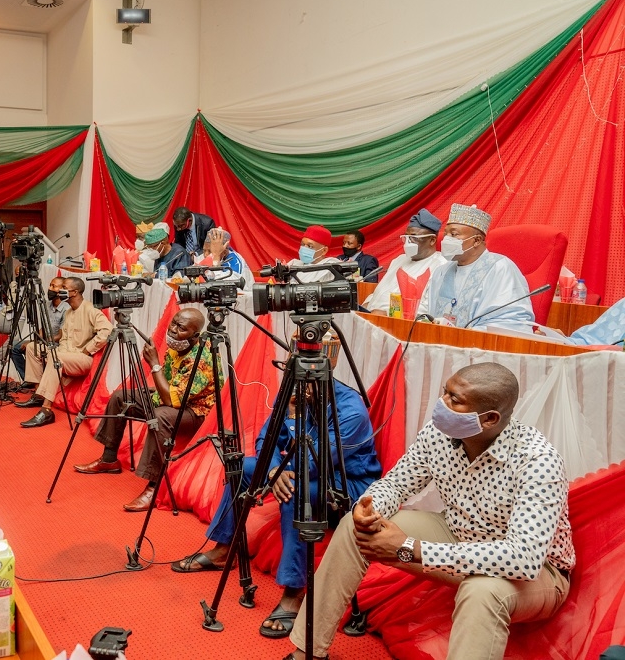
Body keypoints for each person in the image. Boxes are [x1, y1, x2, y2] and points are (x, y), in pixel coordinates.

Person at [287, 363, 574, 659]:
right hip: (456, 534)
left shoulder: (538, 461)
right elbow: (397, 484)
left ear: (489, 419)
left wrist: (410, 548)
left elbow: (523, 559)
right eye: (444, 393)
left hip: (534, 573)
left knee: (481, 592)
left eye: (455, 399)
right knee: (353, 527)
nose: (442, 404)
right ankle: (309, 651)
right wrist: (367, 508)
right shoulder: (439, 434)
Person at [172, 379, 380, 639]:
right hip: (296, 469)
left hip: (346, 480)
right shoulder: (297, 387)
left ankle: (294, 591)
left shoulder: (351, 411)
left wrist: (293, 418)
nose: (300, 389)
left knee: (295, 490)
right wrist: (272, 470)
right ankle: (224, 550)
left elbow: (314, 462)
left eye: (307, 383)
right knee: (243, 470)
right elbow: (265, 438)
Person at [73, 309, 217, 512]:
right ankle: (109, 459)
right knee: (120, 397)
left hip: (195, 412)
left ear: (195, 336)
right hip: (170, 396)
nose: (173, 330)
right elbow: (166, 388)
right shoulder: (179, 345)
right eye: (174, 323)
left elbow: (171, 400)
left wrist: (154, 364)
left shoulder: (202, 359)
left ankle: (153, 485)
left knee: (159, 417)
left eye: (181, 328)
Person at [421, 204, 534, 332]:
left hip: (480, 346)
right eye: (446, 234)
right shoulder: (441, 271)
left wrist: (467, 335)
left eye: (453, 234)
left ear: (477, 241)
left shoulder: (500, 268)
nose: (446, 239)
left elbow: (510, 323)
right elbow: (428, 314)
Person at [16, 277, 112, 428]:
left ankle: (46, 411)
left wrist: (88, 350)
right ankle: (38, 395)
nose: (60, 291)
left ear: (74, 292)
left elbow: (107, 331)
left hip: (82, 359)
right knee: (32, 348)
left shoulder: (90, 310)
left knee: (56, 358)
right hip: (64, 353)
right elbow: (63, 340)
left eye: (64, 288)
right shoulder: (68, 313)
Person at [363, 209, 448, 315]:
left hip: (397, 325)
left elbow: (427, 308)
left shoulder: (441, 266)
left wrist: (387, 314)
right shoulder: (399, 259)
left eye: (413, 238)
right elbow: (382, 290)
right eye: (406, 237)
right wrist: (367, 304)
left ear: (432, 240)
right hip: (370, 318)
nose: (408, 242)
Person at [3, 276, 71, 380]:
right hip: (43, 340)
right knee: (14, 347)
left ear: (61, 290)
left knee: (31, 348)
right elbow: (43, 327)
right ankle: (29, 378)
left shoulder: (66, 309)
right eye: (50, 285)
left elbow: (60, 336)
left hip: (56, 344)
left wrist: (39, 342)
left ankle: (38, 378)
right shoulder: (47, 305)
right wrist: (34, 340)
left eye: (54, 286)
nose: (50, 288)